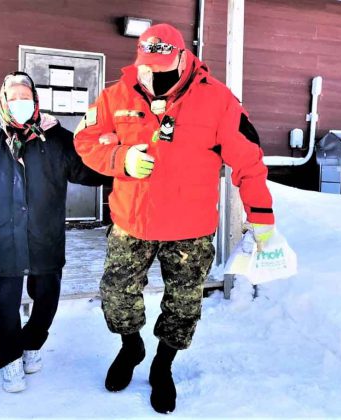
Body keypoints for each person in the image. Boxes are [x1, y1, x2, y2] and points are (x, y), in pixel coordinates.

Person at [74, 24, 276, 413]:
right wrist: (120, 158)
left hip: (190, 229)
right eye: (147, 67)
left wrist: (262, 217)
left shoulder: (217, 100)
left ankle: (162, 365)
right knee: (116, 296)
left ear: (184, 58)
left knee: (183, 307)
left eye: (163, 67)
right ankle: (131, 348)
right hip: (132, 222)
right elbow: (85, 140)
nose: (154, 75)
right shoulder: (117, 95)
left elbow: (249, 163)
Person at [0, 71, 107, 393]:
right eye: (13, 97)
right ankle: (9, 358)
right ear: (3, 100)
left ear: (35, 100)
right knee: (3, 302)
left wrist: (116, 157)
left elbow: (87, 171)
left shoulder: (55, 137)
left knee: (47, 297)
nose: (19, 102)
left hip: (44, 235)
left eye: (25, 97)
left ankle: (32, 343)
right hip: (2, 236)